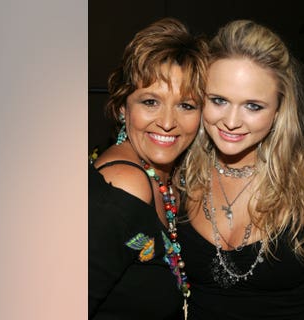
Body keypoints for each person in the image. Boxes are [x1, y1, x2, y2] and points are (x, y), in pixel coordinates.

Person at [177, 20, 304, 319]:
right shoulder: (177, 173)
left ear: (280, 109)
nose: (231, 121)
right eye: (218, 100)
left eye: (253, 106)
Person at [89, 18, 208, 319]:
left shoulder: (169, 181)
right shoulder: (125, 184)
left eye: (186, 105)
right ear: (122, 106)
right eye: (151, 101)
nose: (168, 122)